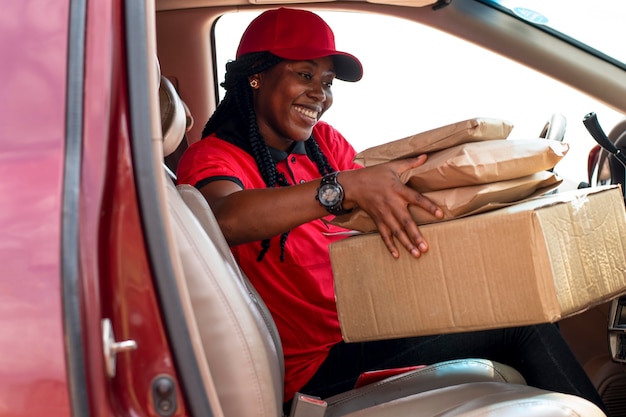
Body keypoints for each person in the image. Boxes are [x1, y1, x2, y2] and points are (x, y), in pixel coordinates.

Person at [176, 7, 608, 414]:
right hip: (318, 365)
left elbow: (370, 198)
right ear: (255, 76)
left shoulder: (324, 144)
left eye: (327, 82)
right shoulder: (215, 158)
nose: (320, 94)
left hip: (366, 326)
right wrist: (340, 188)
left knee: (516, 300)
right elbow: (226, 217)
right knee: (522, 327)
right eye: (304, 74)